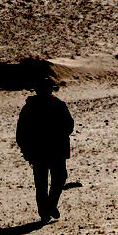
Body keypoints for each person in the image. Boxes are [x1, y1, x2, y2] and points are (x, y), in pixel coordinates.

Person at [16, 76, 74, 223]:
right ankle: (47, 208)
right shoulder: (56, 105)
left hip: (44, 151)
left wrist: (26, 149)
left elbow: (21, 132)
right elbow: (69, 126)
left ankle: (47, 208)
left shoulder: (31, 107)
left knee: (45, 181)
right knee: (56, 179)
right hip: (53, 150)